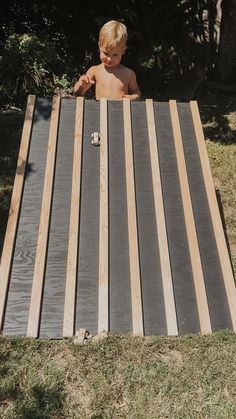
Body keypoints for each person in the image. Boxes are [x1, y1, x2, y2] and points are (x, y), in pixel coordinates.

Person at [73, 20, 141, 101]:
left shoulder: (129, 74)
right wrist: (81, 85)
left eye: (115, 55)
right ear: (99, 46)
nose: (109, 59)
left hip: (121, 112)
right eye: (106, 53)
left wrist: (133, 97)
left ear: (123, 51)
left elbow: (136, 92)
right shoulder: (95, 70)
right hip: (101, 112)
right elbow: (78, 93)